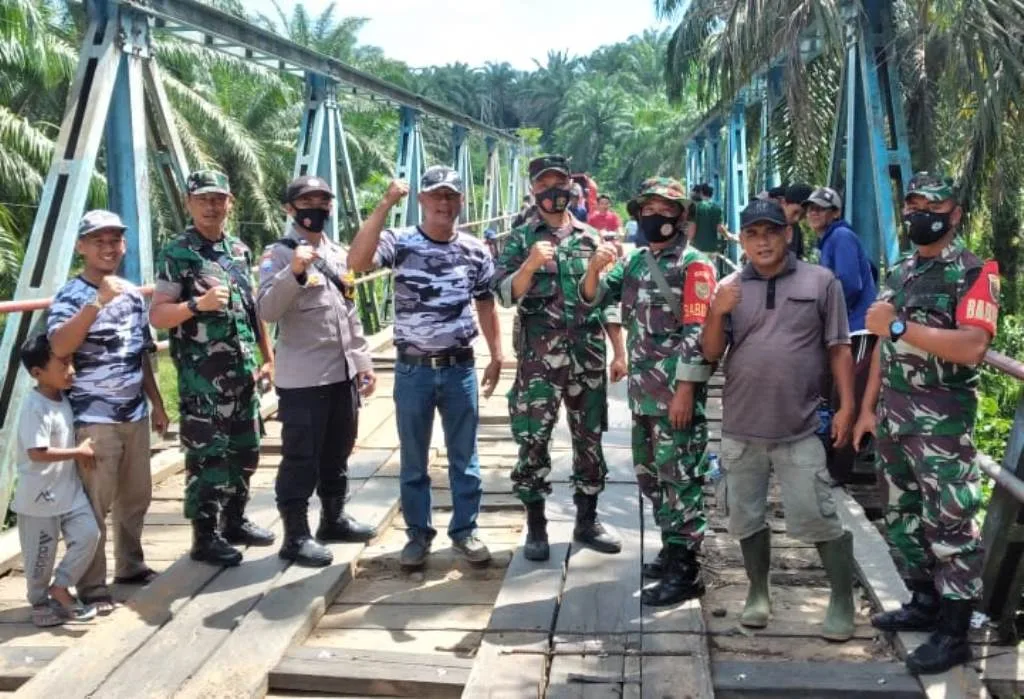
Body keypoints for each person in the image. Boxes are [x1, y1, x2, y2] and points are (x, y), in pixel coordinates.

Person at [853, 172, 999, 675]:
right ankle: (924, 601)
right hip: (894, 415)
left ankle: (955, 632)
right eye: (912, 204)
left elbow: (974, 346)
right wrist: (868, 408)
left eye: (930, 206)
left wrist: (898, 324)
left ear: (954, 214)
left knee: (951, 524)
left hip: (941, 425)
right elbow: (881, 347)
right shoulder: (903, 270)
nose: (919, 213)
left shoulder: (975, 272)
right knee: (902, 515)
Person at [701, 198, 858, 642]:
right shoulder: (730, 286)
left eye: (771, 231)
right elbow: (711, 353)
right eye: (752, 233)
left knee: (816, 514)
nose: (762, 241)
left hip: (800, 424)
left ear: (787, 234)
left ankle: (841, 598)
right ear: (743, 240)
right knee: (745, 516)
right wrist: (717, 309)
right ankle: (758, 592)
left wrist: (847, 405)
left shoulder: (821, 281)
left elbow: (840, 348)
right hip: (741, 424)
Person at [348, 166, 504, 569]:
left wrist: (497, 352)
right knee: (414, 457)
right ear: (422, 200)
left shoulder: (475, 249)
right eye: (436, 195)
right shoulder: (399, 242)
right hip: (413, 369)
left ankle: (465, 531)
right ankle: (418, 535)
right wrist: (384, 204)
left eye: (451, 195)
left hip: (459, 368)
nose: (443, 202)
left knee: (464, 456)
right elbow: (358, 261)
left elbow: (486, 302)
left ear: (460, 202)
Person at [581, 177, 717, 606]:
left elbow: (697, 333)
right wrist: (594, 267)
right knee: (651, 477)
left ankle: (687, 569)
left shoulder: (695, 266)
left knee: (681, 479)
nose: (655, 216)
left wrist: (684, 391)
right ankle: (673, 549)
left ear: (680, 216)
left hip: (675, 395)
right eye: (649, 209)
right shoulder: (638, 264)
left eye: (666, 209)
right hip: (642, 395)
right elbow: (594, 296)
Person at [492, 154, 626, 562]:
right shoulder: (518, 240)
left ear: (571, 187)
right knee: (533, 439)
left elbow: (605, 302)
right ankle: (536, 526)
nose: (553, 192)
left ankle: (587, 520)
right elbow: (503, 294)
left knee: (590, 439)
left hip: (586, 356)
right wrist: (531, 264)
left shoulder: (590, 238)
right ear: (533, 190)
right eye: (544, 184)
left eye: (560, 183)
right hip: (538, 361)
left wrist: (620, 351)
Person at [150, 170, 276, 567]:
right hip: (202, 382)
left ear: (230, 202)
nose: (211, 206)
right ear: (189, 204)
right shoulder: (178, 252)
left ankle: (234, 520)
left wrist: (267, 356)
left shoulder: (239, 250)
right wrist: (194, 307)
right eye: (202, 199)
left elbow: (252, 309)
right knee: (207, 457)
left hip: (243, 375)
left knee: (246, 449)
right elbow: (158, 316)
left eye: (218, 198)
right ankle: (205, 536)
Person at [46, 210, 168, 613]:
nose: (108, 247)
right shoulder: (70, 296)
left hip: (133, 413)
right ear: (81, 247)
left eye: (115, 240)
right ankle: (92, 585)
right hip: (93, 418)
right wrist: (96, 303)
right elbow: (61, 347)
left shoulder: (133, 293)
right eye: (98, 240)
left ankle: (130, 566)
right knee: (94, 503)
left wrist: (158, 404)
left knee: (136, 497)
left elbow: (141, 355)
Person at [257, 175, 378, 567]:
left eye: (324, 201)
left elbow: (350, 312)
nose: (317, 207)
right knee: (300, 458)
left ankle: (333, 519)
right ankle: (295, 535)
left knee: (337, 451)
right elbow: (266, 312)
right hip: (304, 379)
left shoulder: (339, 254)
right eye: (307, 200)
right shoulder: (277, 255)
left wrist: (362, 362)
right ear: (290, 208)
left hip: (341, 374)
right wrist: (291, 273)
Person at [14, 334, 100, 627]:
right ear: (37, 373)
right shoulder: (34, 406)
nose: (71, 370)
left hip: (69, 491)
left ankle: (61, 586)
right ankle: (39, 601)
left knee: (89, 534)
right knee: (40, 558)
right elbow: (37, 453)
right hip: (39, 498)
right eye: (63, 365)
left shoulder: (64, 397)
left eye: (71, 361)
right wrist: (78, 452)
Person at [804, 187, 878, 482]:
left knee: (850, 399)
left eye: (821, 209)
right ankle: (834, 463)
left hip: (856, 329)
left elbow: (850, 284)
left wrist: (828, 317)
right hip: (845, 328)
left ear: (835, 213)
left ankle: (840, 471)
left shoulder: (841, 237)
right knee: (836, 395)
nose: (814, 213)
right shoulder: (829, 240)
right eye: (811, 208)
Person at [687, 184, 726, 273]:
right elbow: (720, 228)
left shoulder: (695, 207)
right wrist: (728, 235)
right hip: (712, 248)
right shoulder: (716, 208)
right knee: (711, 273)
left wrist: (687, 243)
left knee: (699, 274)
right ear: (712, 194)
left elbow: (692, 229)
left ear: (701, 193)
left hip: (698, 248)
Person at [781, 183, 813, 261]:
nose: (797, 219)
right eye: (795, 212)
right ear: (783, 203)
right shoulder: (767, 225)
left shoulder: (796, 229)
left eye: (803, 215)